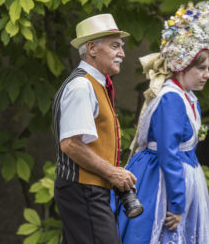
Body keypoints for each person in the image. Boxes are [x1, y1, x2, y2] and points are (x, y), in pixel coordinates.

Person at [116, 1, 209, 244]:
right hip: (160, 181)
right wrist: (177, 202)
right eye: (201, 68)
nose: (207, 74)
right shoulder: (171, 98)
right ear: (183, 65)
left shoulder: (187, 96)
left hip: (176, 178)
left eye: (208, 68)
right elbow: (168, 153)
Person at [52, 13, 137, 244]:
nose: (122, 53)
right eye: (115, 46)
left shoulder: (91, 83)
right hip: (84, 190)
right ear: (91, 48)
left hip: (87, 189)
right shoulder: (82, 85)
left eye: (121, 47)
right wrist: (113, 173)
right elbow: (70, 144)